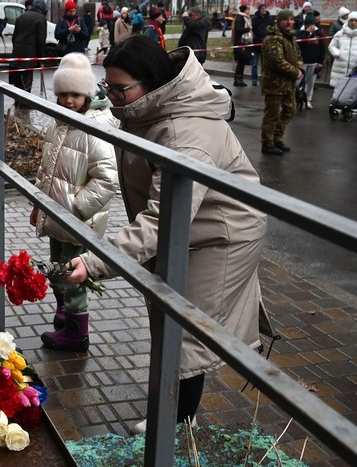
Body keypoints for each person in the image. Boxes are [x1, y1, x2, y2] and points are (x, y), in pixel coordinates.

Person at [64, 35, 268, 433]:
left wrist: (93, 262)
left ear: (153, 81)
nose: (113, 97)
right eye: (107, 87)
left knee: (184, 326)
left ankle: (176, 421)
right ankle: (174, 413)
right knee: (166, 314)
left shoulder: (183, 133)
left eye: (120, 89)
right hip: (183, 227)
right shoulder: (148, 109)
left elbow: (163, 219)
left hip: (220, 234)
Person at [31, 52, 119, 352]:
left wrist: (76, 207)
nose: (68, 100)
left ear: (87, 94)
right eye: (63, 94)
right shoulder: (60, 123)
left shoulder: (95, 128)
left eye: (75, 94)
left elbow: (107, 179)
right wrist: (38, 203)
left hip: (77, 220)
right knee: (58, 269)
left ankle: (76, 331)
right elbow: (47, 168)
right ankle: (65, 312)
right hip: (58, 215)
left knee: (74, 276)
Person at [260, 10, 303, 156]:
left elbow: (297, 56)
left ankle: (277, 138)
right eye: (286, 19)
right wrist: (295, 72)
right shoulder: (273, 39)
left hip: (288, 84)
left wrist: (300, 68)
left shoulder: (290, 37)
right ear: (278, 21)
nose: (290, 22)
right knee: (271, 114)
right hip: (274, 84)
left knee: (290, 111)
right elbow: (276, 62)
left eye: (291, 19)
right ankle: (267, 143)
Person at [10, 0, 48, 95]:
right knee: (27, 80)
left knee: (18, 80)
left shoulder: (21, 16)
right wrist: (41, 59)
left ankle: (17, 101)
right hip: (30, 55)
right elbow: (41, 41)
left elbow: (14, 37)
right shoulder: (41, 19)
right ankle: (25, 104)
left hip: (17, 53)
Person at [296, 13, 325, 109]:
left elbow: (322, 48)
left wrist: (320, 62)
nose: (311, 26)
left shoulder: (319, 34)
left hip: (314, 62)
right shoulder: (301, 33)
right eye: (308, 24)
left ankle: (308, 100)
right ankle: (293, 98)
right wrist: (307, 33)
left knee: (310, 83)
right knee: (296, 82)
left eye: (312, 24)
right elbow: (298, 45)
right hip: (301, 62)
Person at [328, 12, 357, 88]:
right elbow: (331, 46)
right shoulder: (340, 34)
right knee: (338, 95)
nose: (353, 22)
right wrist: (337, 53)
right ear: (348, 21)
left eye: (356, 20)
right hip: (339, 68)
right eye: (351, 20)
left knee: (352, 95)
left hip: (355, 70)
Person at [251, 4, 273, 86]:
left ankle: (263, 79)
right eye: (262, 8)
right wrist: (255, 39)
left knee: (264, 64)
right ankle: (254, 79)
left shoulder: (269, 18)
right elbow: (252, 30)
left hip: (265, 44)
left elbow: (272, 29)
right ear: (259, 9)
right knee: (254, 64)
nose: (264, 10)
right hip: (256, 44)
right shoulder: (254, 18)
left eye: (265, 8)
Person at [231, 5, 253, 86]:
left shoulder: (246, 17)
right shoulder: (240, 18)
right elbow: (239, 29)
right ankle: (237, 80)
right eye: (247, 9)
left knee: (242, 62)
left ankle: (240, 79)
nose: (249, 11)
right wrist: (249, 28)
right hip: (240, 43)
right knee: (240, 61)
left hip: (244, 42)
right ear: (244, 10)